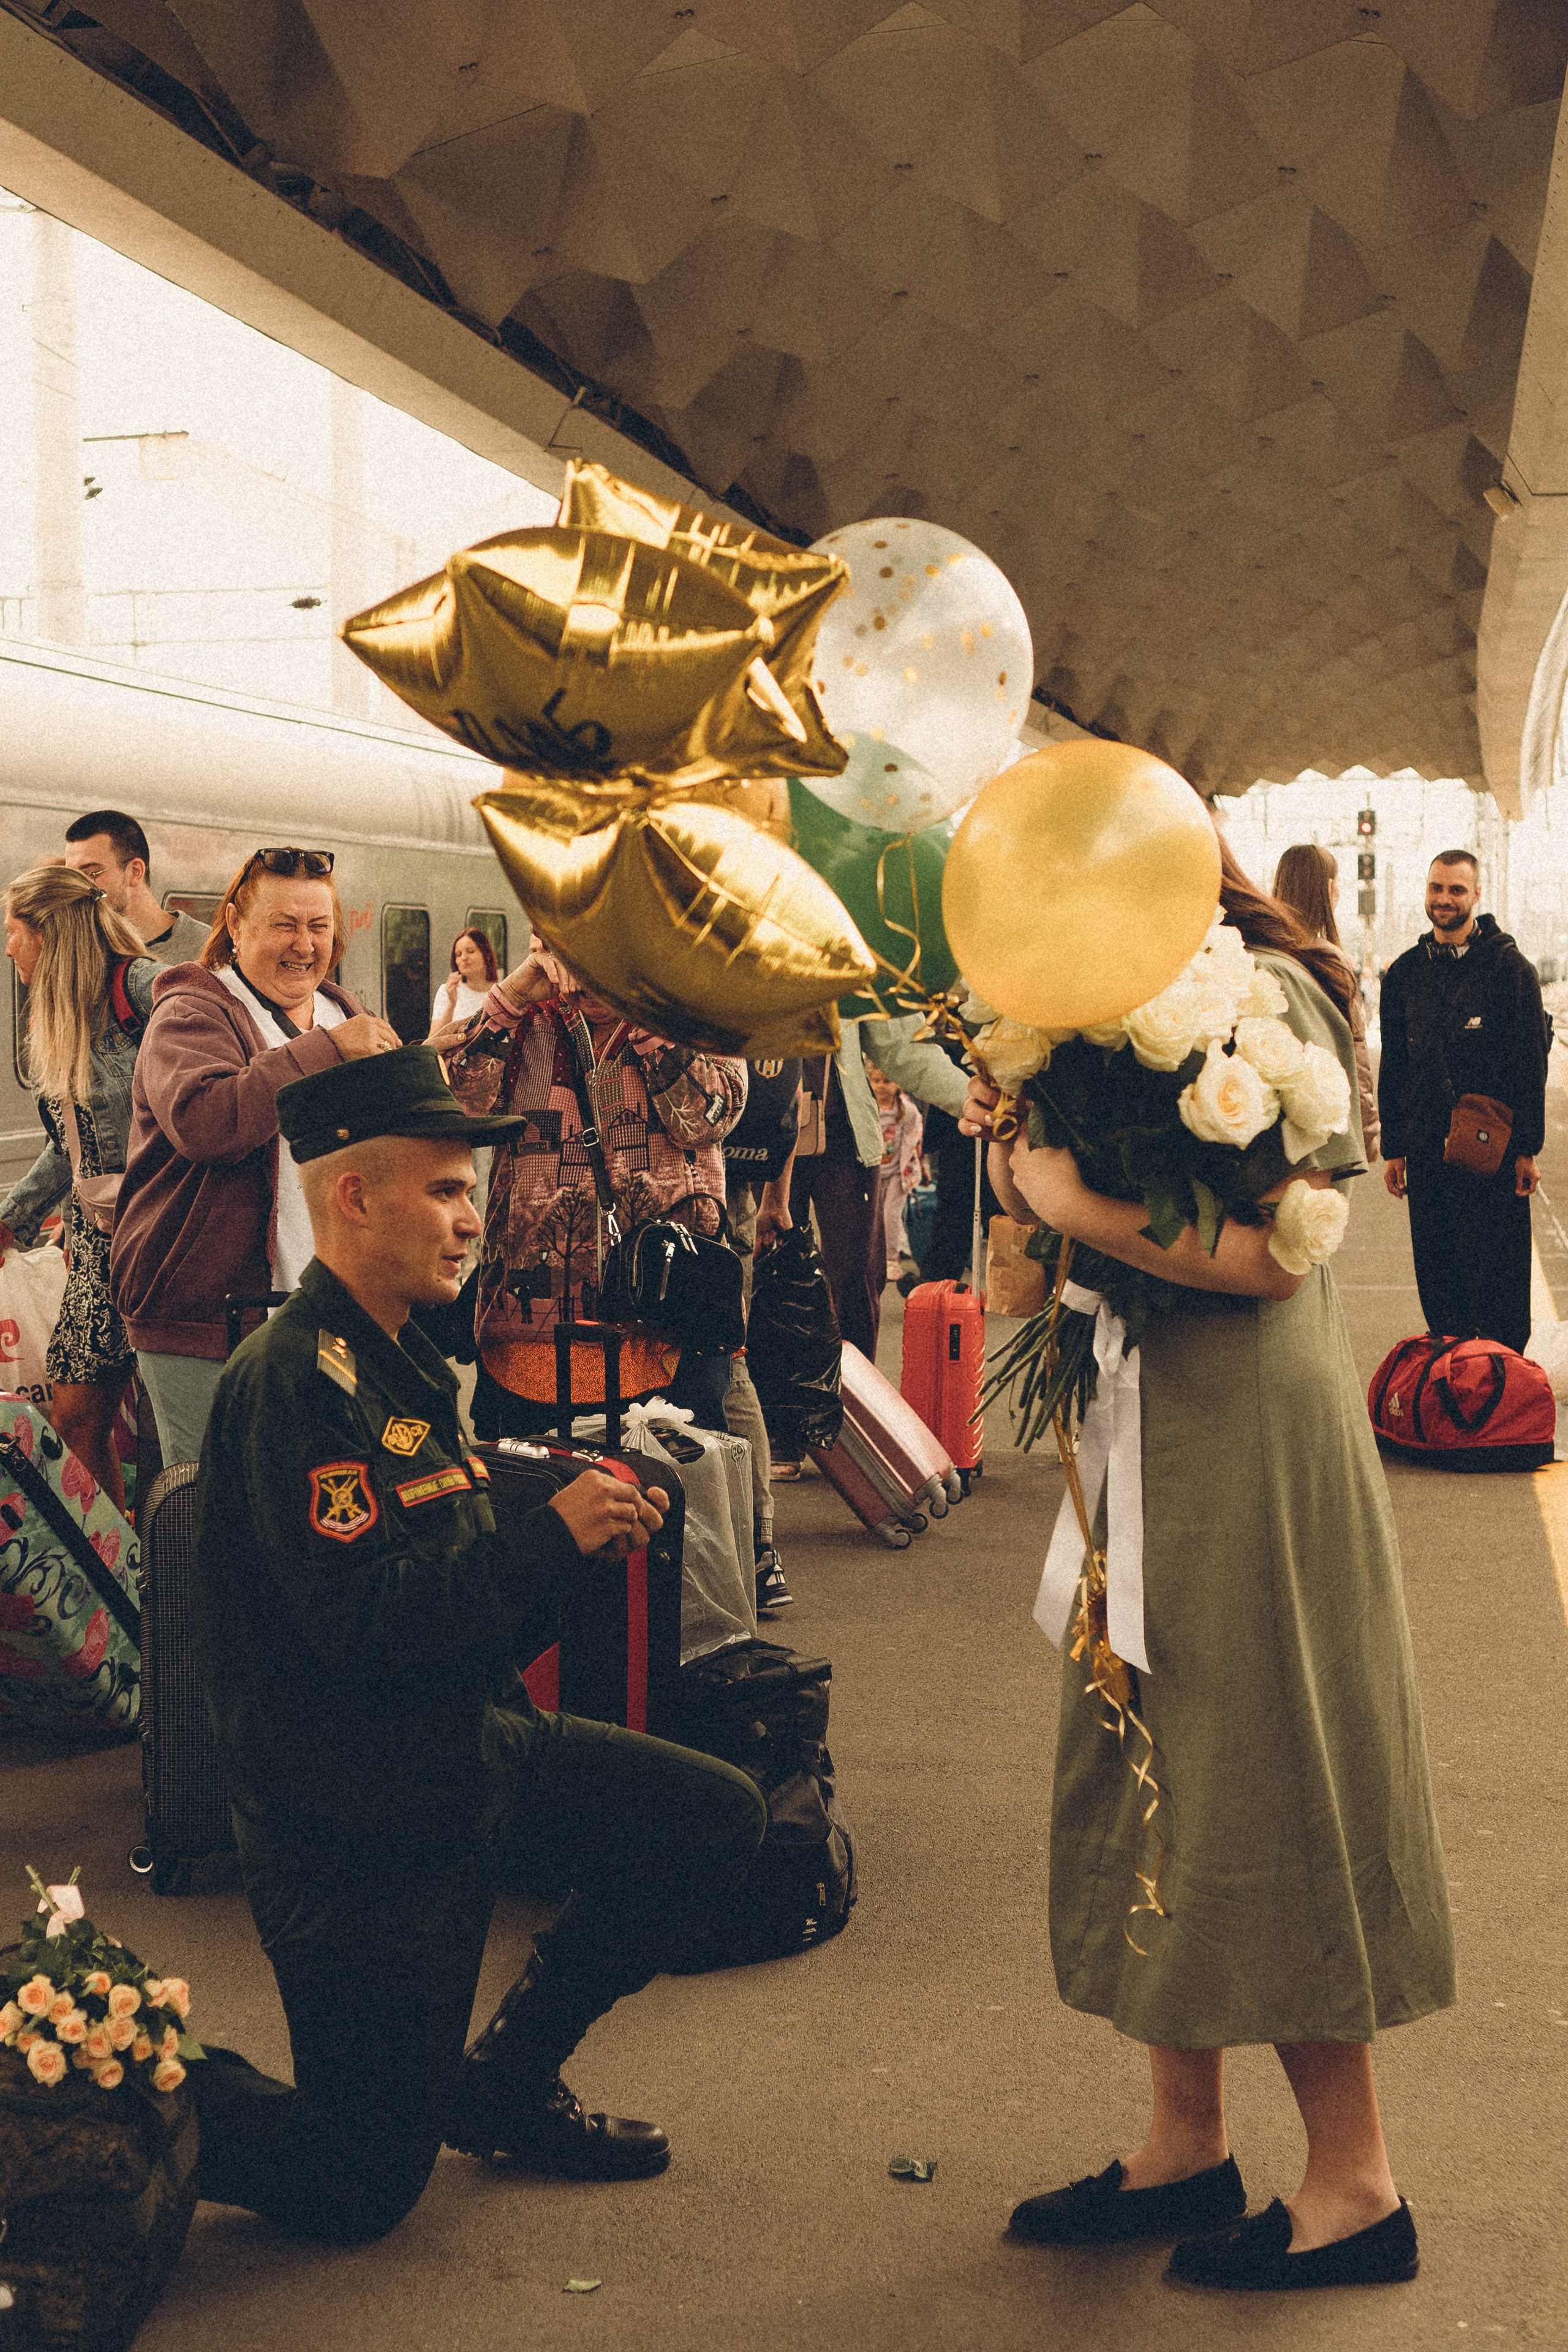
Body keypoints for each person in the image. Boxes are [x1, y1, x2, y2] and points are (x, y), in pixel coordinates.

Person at [967, 839, 1453, 2293]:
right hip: (1149, 1417)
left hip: (1240, 1432)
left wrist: (1060, 1194)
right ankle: (1185, 2138)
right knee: (1148, 1760)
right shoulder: (1101, 1010)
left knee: (1267, 1768)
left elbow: (1277, 1250)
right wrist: (1015, 1154)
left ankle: (1354, 2181)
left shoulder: (1268, 1002)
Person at [187, 1044, 766, 2243]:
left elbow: (461, 1617)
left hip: (460, 1752)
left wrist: (578, 1545)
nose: (473, 1221)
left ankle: (501, 2082)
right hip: (355, 1828)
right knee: (357, 2185)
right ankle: (96, 2067)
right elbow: (370, 1631)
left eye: (472, 1194)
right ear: (354, 1197)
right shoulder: (296, 1379)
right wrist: (547, 1539)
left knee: (709, 1818)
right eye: (447, 1192)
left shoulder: (398, 1347)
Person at [110, 847, 401, 1465]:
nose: (304, 944)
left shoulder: (341, 1011)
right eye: (284, 925)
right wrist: (329, 1050)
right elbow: (209, 1123)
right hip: (210, 1316)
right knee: (214, 1502)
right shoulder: (191, 1010)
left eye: (318, 927)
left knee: (322, 1492)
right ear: (236, 926)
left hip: (324, 1308)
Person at [443, 938, 748, 1442]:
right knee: (538, 1502)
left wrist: (645, 1011)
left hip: (669, 1330)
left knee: (674, 1506)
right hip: (530, 1340)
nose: (588, 982)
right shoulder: (524, 1017)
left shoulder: (697, 1008)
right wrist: (513, 996)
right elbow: (457, 1107)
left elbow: (707, 1118)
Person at [0, 864, 157, 1511]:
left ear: (47, 934)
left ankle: (182, 1577)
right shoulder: (61, 1015)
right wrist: (12, 1217)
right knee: (76, 1417)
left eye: (14, 933)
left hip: (164, 1235)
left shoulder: (144, 990)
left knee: (169, 1433)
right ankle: (119, 1572)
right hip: (97, 1246)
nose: (8, 948)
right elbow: (71, 1149)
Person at [1378, 850, 1547, 1359]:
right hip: (1428, 1151)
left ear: (1476, 895)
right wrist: (1394, 1147)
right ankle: (1453, 1383)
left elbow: (1529, 1066)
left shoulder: (1510, 969)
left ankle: (1502, 1385)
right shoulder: (1404, 974)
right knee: (1439, 1274)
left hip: (1492, 1154)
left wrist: (1527, 1150)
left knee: (1499, 1279)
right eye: (1436, 888)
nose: (1444, 899)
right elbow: (1396, 1068)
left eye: (1456, 890)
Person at [788, 1016, 969, 1365]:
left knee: (854, 1286)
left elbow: (901, 1045)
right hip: (757, 1130)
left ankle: (851, 1406)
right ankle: (761, 1407)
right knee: (759, 1279)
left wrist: (976, 1099)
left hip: (847, 1132)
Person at [721, 1057, 801, 1613]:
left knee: (723, 1364)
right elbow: (787, 1113)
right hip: (738, 1196)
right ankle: (759, 1549)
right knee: (730, 1362)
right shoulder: (751, 999)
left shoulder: (664, 994)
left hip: (675, 1195)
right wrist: (776, 1197)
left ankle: (746, 1547)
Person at [1271, 844, 1379, 1163]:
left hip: (1268, 1116)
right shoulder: (1329, 960)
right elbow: (1354, 1053)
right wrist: (1369, 1132)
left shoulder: (1259, 949)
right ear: (1329, 888)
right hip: (1321, 1121)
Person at [62, 810, 209, 965]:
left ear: (135, 872)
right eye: (71, 876)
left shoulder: (207, 948)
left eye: (90, 873)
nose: (77, 887)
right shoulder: (78, 949)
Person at [867, 1063, 924, 1277]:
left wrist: (919, 1166)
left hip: (897, 1175)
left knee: (891, 1216)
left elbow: (915, 1140)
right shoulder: (868, 1107)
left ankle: (892, 1258)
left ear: (898, 1083)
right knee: (872, 1217)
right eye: (876, 1081)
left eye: (887, 1081)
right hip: (872, 1173)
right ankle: (872, 1258)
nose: (881, 1086)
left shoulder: (906, 1111)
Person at [429, 926, 497, 1035]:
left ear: (487, 955)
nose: (464, 958)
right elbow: (433, 1041)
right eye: (458, 954)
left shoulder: (501, 991)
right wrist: (451, 1004)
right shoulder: (447, 991)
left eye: (470, 951)